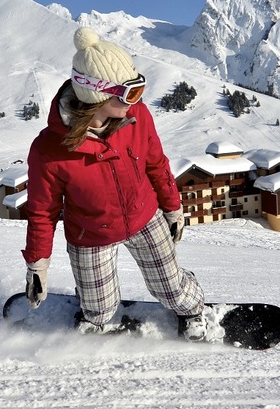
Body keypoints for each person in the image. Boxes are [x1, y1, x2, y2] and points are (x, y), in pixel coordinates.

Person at [21, 26, 207, 341]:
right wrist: (37, 265)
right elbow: (42, 212)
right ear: (97, 95)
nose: (137, 100)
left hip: (144, 216)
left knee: (173, 290)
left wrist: (172, 209)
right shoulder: (48, 150)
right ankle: (94, 314)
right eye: (130, 92)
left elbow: (156, 164)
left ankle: (193, 311)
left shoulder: (137, 116)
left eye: (139, 88)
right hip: (90, 232)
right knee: (100, 312)